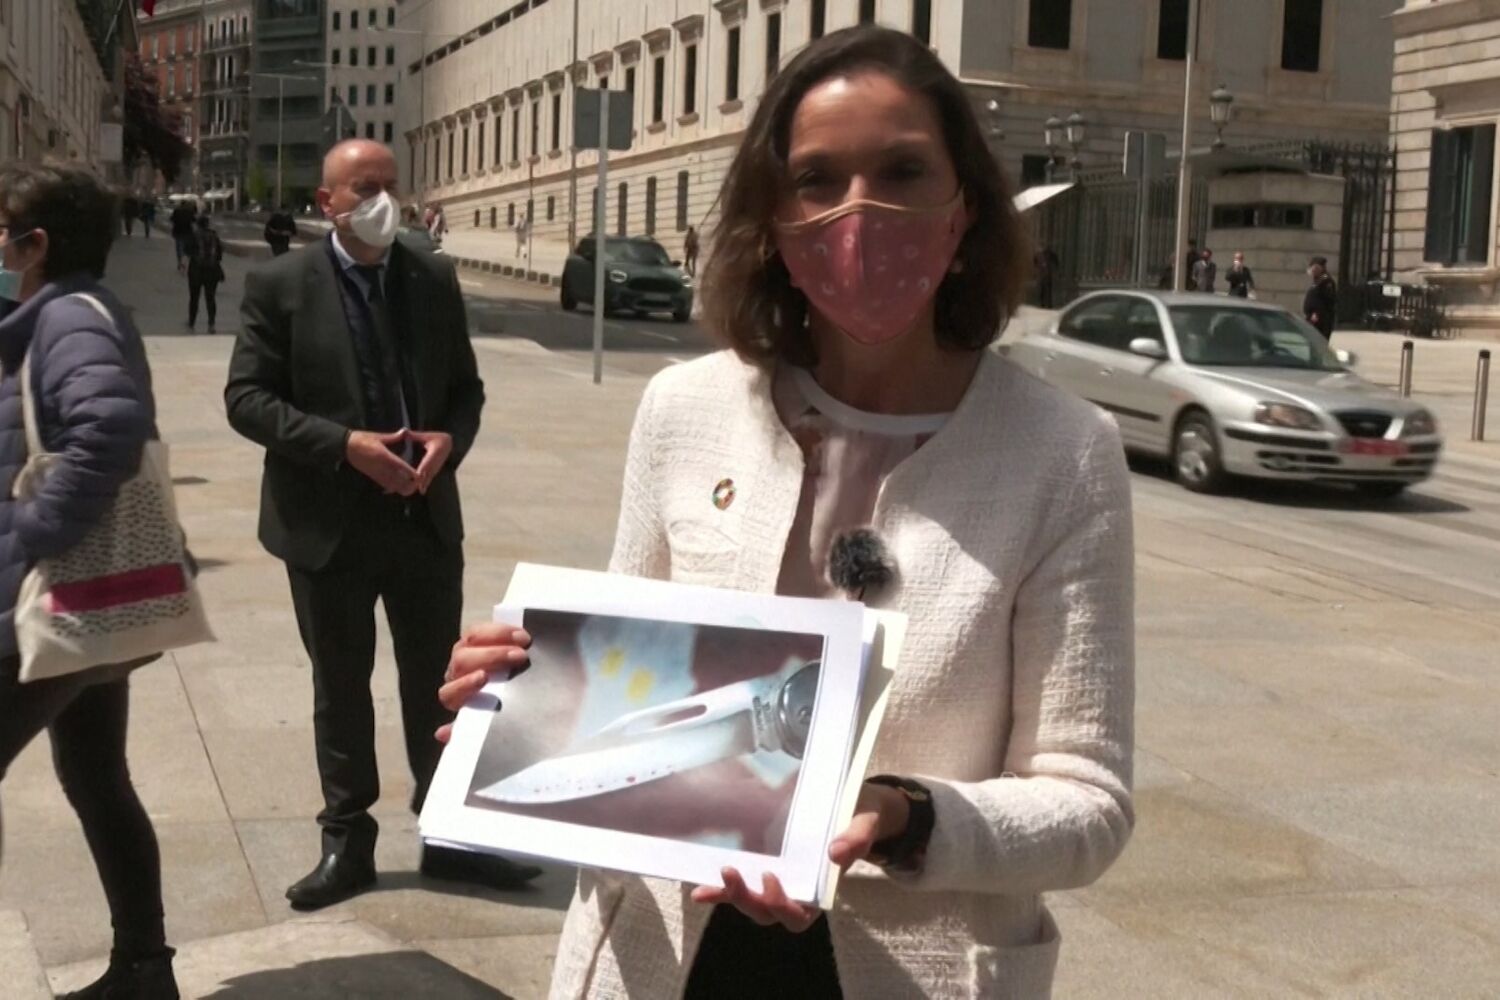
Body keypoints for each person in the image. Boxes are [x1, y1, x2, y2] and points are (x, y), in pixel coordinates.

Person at [438, 27, 1134, 999]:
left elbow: (1088, 801)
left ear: (966, 207)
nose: (861, 211)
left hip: (914, 965)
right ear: (772, 218)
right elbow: (629, 682)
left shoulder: (1063, 451)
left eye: (903, 170)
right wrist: (525, 688)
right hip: (666, 951)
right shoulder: (684, 409)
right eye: (817, 179)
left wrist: (907, 817)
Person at [225, 140, 541, 911]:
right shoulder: (280, 284)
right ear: (326, 202)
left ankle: (450, 833)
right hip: (327, 524)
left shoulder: (430, 277)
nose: (383, 203)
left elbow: (465, 390)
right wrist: (345, 446)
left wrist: (448, 442)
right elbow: (247, 400)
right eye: (365, 188)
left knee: (442, 680)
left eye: (392, 187)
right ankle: (347, 840)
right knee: (340, 684)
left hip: (421, 518)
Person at [0, 163, 180, 999]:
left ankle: (144, 967)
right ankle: (143, 968)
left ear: (36, 244)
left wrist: (31, 534)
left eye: (3, 231)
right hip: (93, 605)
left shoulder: (67, 316)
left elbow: (106, 426)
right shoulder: (65, 312)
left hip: (50, 599)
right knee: (98, 777)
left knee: (97, 777)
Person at [187, 214, 225, 334]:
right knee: (210, 298)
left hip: (196, 270)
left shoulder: (194, 235)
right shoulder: (214, 236)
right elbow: (219, 254)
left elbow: (187, 250)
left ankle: (192, 322)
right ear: (207, 224)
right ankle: (211, 324)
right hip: (212, 271)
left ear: (198, 224)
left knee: (194, 298)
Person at [1304, 254, 1338, 340]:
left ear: (1321, 268)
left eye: (1314, 268)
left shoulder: (1326, 281)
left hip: (1320, 319)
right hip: (1313, 317)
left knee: (1319, 340)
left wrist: (1317, 313)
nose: (1312, 270)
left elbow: (1327, 301)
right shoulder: (1317, 280)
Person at [168, 200, 197, 271]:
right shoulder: (190, 212)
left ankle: (180, 262)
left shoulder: (177, 211)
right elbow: (194, 220)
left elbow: (172, 219)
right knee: (186, 248)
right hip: (188, 232)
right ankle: (184, 262)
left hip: (178, 231)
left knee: (179, 248)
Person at [1033, 244, 1060, 308]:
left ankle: (1045, 303)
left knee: (1045, 289)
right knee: (1045, 289)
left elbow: (1035, 261)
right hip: (1045, 274)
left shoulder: (1049, 254)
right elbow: (1056, 263)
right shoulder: (1046, 254)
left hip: (1046, 274)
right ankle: (1045, 303)